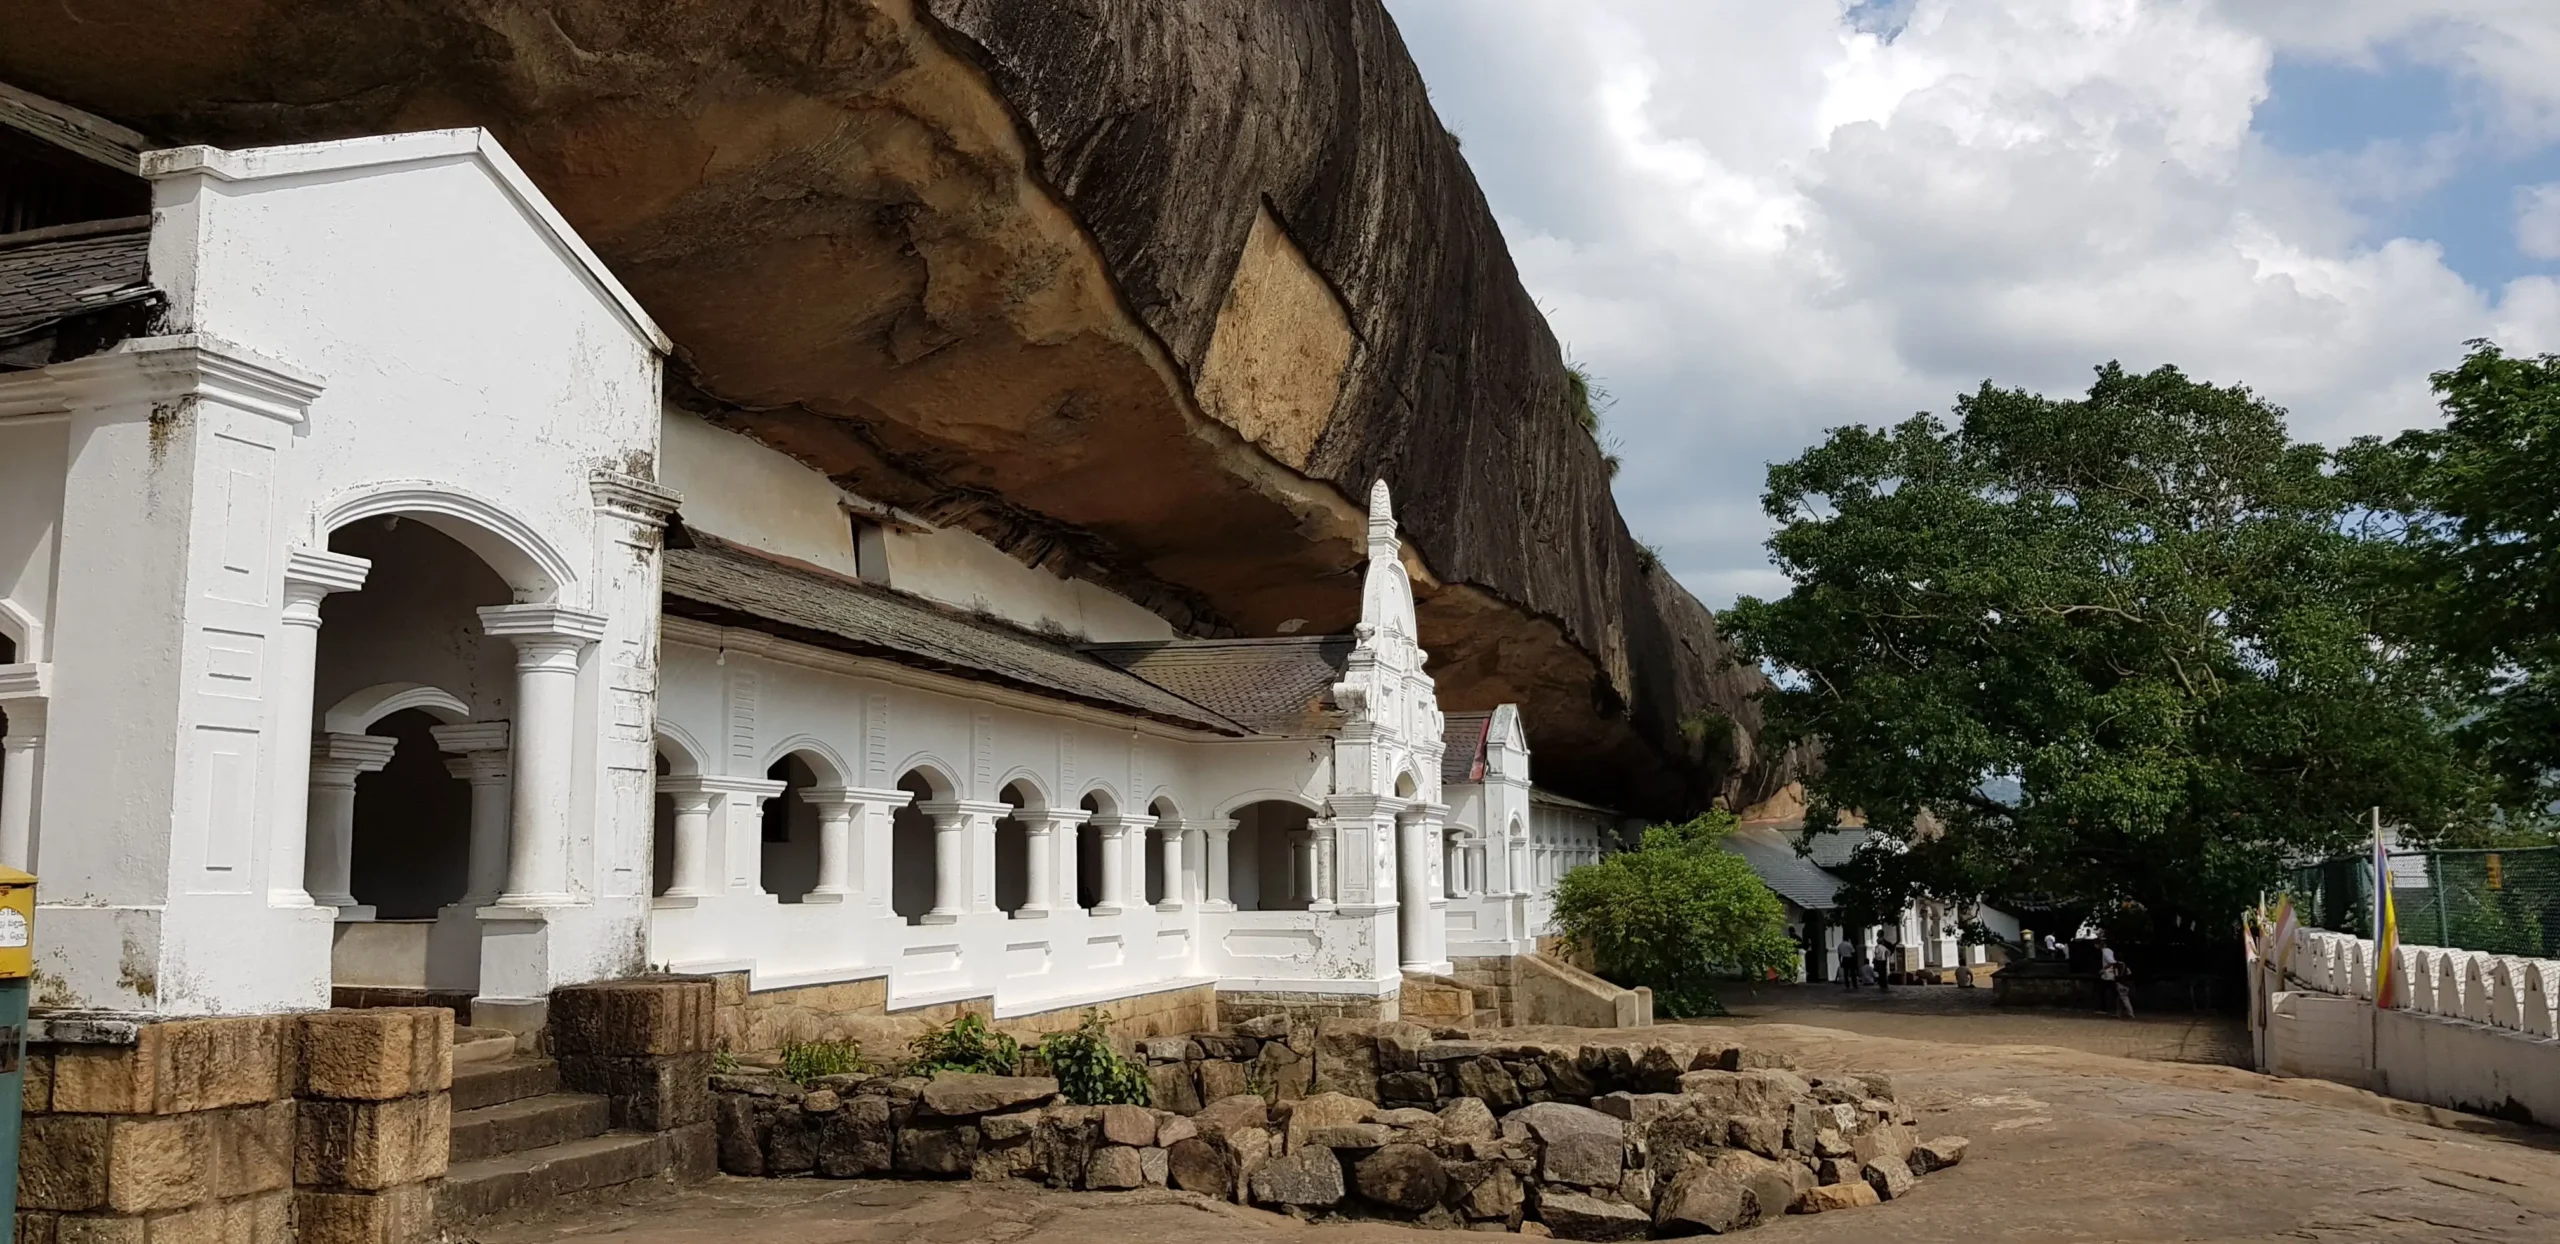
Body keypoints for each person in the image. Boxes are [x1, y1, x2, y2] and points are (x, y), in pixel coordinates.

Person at [2098, 941, 2136, 1018]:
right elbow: (2129, 974)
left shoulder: (2116, 965)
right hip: (2126, 983)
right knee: (2122, 999)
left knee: (2124, 999)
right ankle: (2121, 1014)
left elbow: (2116, 974)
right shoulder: (2125, 966)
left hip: (2120, 983)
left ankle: (2130, 1014)